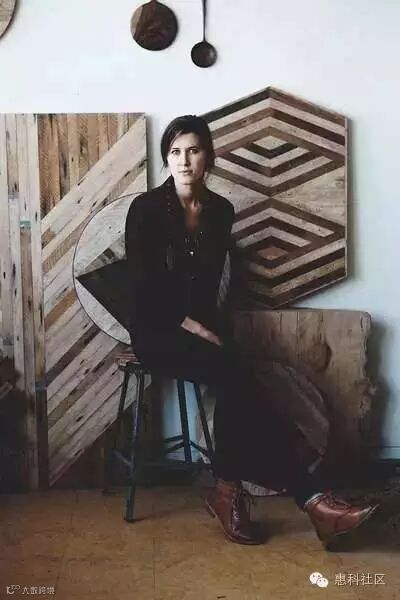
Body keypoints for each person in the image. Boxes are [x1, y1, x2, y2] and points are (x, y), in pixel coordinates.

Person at [125, 114, 378, 547]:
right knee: (237, 376)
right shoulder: (145, 210)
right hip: (156, 331)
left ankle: (237, 491)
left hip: (204, 330)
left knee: (239, 380)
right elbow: (144, 290)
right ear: (166, 158)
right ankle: (307, 494)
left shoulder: (221, 211)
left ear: (209, 157)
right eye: (175, 152)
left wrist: (214, 332)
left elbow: (208, 288)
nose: (184, 161)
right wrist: (195, 329)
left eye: (193, 150)